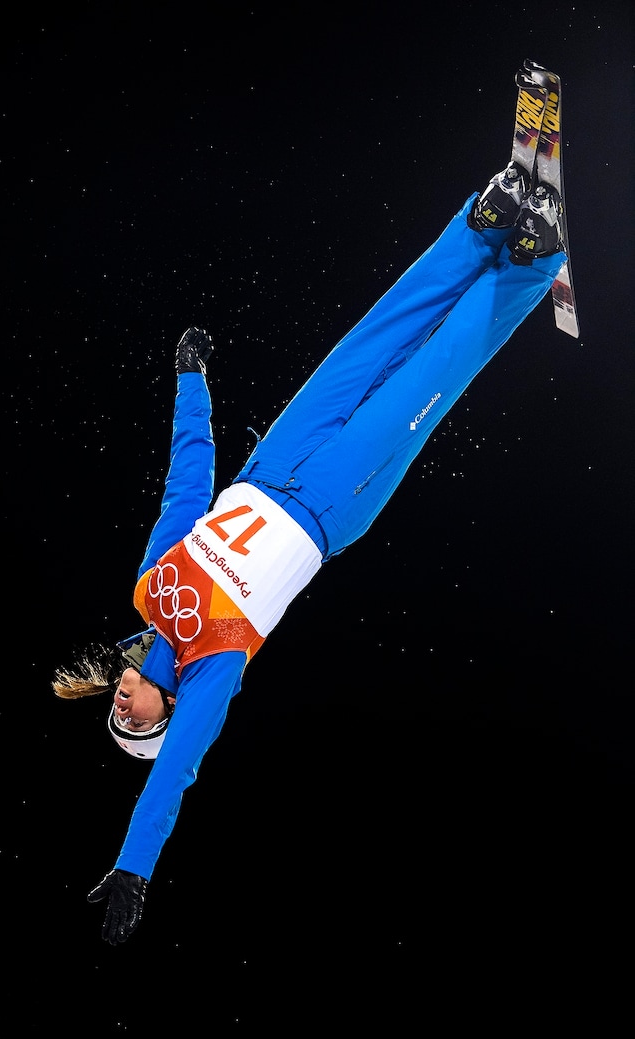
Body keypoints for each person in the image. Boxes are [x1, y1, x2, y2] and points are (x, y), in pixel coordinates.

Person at [52, 64, 568, 945]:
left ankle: (478, 228)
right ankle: (533, 261)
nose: (123, 706)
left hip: (268, 465)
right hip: (329, 508)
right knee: (428, 380)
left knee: (367, 343)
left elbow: (185, 489)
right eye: (130, 723)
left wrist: (190, 382)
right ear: (160, 719)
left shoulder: (148, 592)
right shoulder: (210, 674)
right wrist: (136, 864)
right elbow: (173, 778)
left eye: (115, 708)